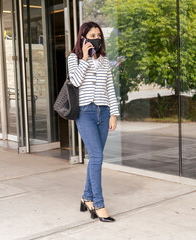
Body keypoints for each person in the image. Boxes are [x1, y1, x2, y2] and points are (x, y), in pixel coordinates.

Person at [68, 22, 120, 222]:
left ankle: (86, 198)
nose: (96, 38)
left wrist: (113, 114)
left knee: (95, 158)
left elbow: (110, 89)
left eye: (99, 35)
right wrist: (85, 58)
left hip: (104, 112)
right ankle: (98, 204)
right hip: (85, 113)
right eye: (92, 35)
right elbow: (75, 81)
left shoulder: (105, 61)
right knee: (97, 157)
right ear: (83, 38)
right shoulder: (74, 59)